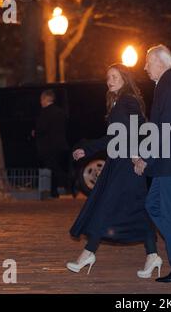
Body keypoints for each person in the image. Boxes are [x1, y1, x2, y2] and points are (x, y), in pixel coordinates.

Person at [67, 64, 162, 278]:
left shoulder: (127, 101)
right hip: (118, 163)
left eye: (115, 77)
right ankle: (152, 255)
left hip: (126, 164)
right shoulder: (120, 101)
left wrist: (137, 156)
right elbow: (115, 137)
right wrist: (87, 148)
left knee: (106, 205)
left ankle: (88, 252)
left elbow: (137, 131)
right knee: (136, 207)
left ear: (125, 79)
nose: (110, 80)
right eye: (108, 77)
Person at [132, 45, 171, 283]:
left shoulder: (169, 86)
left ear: (160, 62)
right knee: (154, 205)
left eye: (148, 62)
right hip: (168, 162)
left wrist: (145, 158)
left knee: (170, 214)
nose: (145, 67)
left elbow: (164, 131)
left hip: (169, 163)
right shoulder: (168, 85)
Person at [33, 89, 69, 198]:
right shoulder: (61, 112)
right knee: (56, 167)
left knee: (51, 169)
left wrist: (35, 132)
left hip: (48, 146)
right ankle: (58, 189)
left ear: (45, 99)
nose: (40, 102)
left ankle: (56, 189)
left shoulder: (45, 113)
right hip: (61, 144)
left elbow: (41, 128)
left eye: (41, 99)